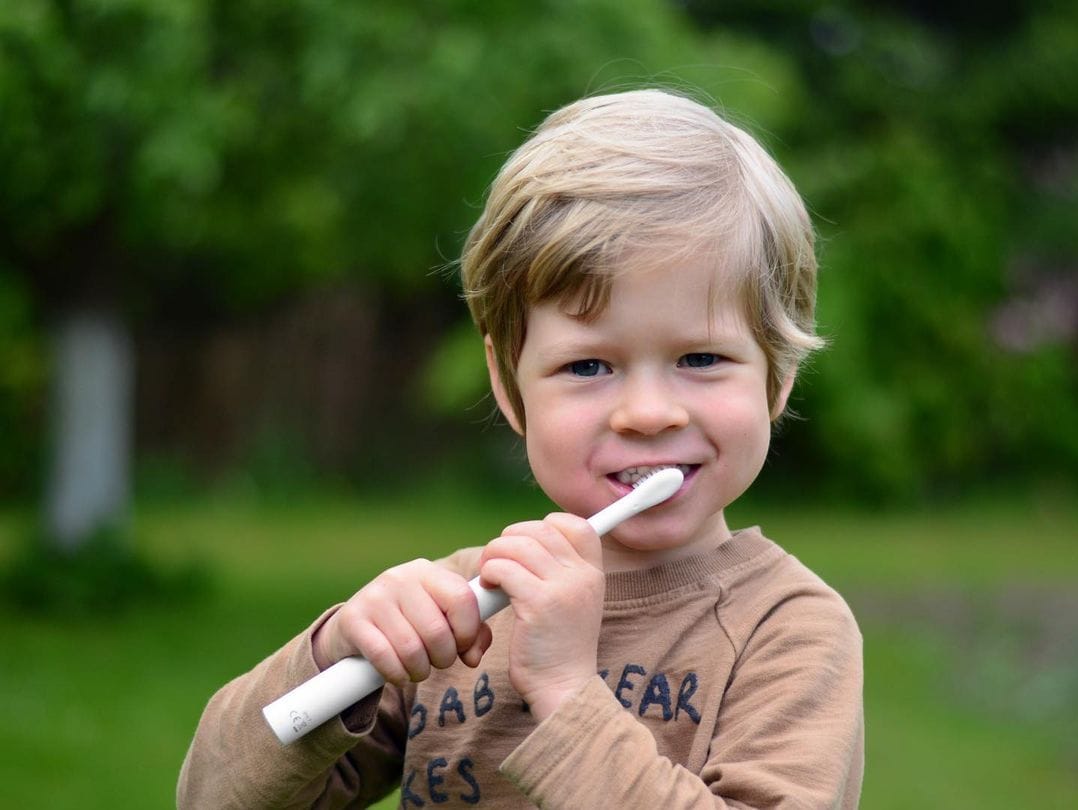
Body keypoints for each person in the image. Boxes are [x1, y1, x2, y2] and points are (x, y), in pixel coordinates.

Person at [178, 88, 864, 808]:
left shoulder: (787, 630)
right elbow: (210, 799)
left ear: (777, 377)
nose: (647, 413)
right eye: (588, 366)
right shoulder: (458, 609)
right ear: (510, 388)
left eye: (700, 359)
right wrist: (335, 652)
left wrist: (568, 694)